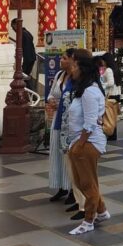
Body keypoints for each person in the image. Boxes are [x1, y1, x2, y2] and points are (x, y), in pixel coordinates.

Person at [65, 49, 110, 235]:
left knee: (87, 184)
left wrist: (80, 145)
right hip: (80, 141)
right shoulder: (83, 90)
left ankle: (88, 220)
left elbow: (90, 122)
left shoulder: (90, 91)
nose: (71, 69)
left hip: (88, 142)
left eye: (73, 65)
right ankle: (102, 211)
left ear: (81, 67)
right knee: (83, 182)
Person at [46, 51, 73, 201]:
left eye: (64, 58)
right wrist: (51, 100)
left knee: (68, 154)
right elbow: (51, 94)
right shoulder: (59, 75)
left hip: (69, 120)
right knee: (56, 152)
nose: (61, 60)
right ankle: (61, 186)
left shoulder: (76, 78)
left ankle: (72, 189)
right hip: (57, 118)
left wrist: (63, 104)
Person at [96, 54, 120, 141]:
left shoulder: (108, 70)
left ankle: (110, 133)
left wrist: (102, 85)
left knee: (109, 116)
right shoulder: (113, 69)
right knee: (112, 116)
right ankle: (112, 134)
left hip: (111, 96)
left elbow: (111, 83)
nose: (102, 62)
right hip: (115, 95)